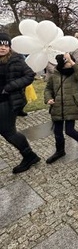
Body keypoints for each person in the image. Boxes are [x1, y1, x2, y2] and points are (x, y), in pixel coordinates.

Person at [0, 32, 41, 173]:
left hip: (8, 102)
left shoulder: (15, 59)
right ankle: (30, 155)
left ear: (10, 47)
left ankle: (29, 156)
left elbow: (30, 75)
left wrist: (9, 87)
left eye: (5, 45)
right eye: (0, 44)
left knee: (8, 132)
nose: (2, 48)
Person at [44, 53, 78, 163]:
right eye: (67, 62)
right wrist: (48, 98)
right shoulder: (54, 75)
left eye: (71, 61)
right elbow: (48, 89)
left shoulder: (75, 74)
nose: (70, 64)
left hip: (71, 106)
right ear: (62, 63)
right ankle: (60, 151)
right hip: (57, 107)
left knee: (69, 130)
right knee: (57, 131)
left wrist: (71, 61)